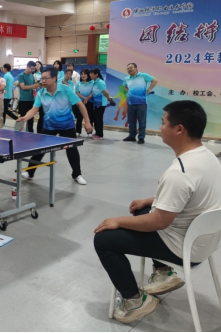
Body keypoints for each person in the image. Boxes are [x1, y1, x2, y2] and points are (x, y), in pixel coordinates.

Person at [94, 101, 221, 324]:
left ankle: (134, 301)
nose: (160, 127)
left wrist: (117, 221)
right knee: (142, 208)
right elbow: (192, 196)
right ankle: (163, 273)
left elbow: (158, 222)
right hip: (207, 240)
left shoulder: (179, 173)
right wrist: (151, 200)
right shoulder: (208, 157)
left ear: (179, 129)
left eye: (163, 123)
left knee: (104, 240)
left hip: (184, 247)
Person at [18, 67, 93, 185]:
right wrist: (25, 117)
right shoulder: (41, 92)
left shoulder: (66, 90)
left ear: (54, 78)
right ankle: (29, 172)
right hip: (49, 126)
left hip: (67, 125)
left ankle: (77, 174)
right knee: (39, 149)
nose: (43, 81)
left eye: (46, 78)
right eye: (42, 78)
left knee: (72, 150)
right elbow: (34, 109)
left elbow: (80, 105)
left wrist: (87, 122)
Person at [123, 63, 159, 145]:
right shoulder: (126, 78)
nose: (129, 69)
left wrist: (149, 89)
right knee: (131, 121)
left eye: (131, 67)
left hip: (141, 102)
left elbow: (155, 80)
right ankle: (132, 136)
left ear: (136, 68)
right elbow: (124, 86)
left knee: (142, 121)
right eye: (128, 68)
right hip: (131, 102)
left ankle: (141, 137)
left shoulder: (143, 75)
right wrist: (129, 91)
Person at [90, 69, 115, 140]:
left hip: (101, 104)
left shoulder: (100, 82)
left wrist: (109, 99)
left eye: (92, 73)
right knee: (95, 118)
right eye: (90, 73)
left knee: (98, 119)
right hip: (96, 103)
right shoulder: (94, 82)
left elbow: (106, 92)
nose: (90, 75)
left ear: (96, 74)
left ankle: (100, 134)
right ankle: (97, 132)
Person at [17, 61, 39, 133]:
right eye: (31, 69)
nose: (32, 70)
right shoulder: (21, 75)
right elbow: (23, 87)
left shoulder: (32, 76)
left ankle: (30, 131)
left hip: (31, 99)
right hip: (23, 100)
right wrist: (34, 86)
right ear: (27, 67)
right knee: (22, 117)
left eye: (34, 69)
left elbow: (34, 87)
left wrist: (35, 88)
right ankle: (19, 131)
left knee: (31, 117)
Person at [75, 69, 94, 137]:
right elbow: (77, 92)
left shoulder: (92, 82)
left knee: (90, 117)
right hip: (81, 102)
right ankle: (78, 131)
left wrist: (88, 98)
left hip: (90, 102)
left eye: (85, 74)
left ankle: (89, 132)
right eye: (82, 74)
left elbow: (93, 91)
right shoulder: (79, 83)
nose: (83, 75)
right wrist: (84, 98)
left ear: (88, 75)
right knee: (79, 117)